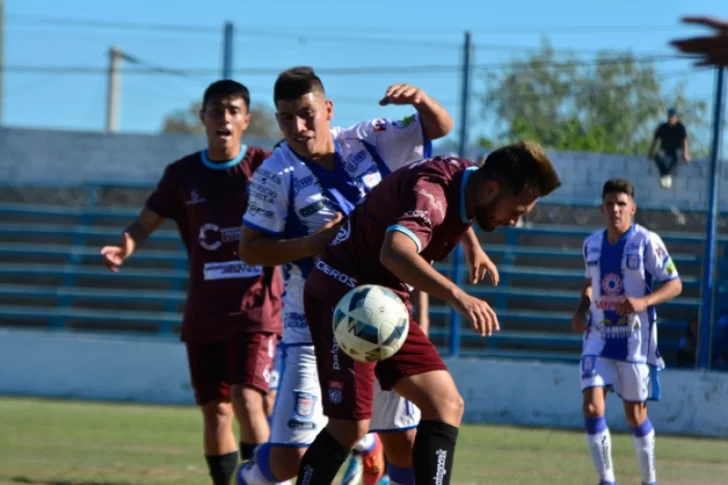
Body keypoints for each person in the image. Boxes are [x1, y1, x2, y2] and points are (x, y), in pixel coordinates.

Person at [236, 66, 464, 485]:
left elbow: (440, 127)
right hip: (313, 323)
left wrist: (421, 100)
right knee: (291, 459)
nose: (298, 127)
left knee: (405, 442)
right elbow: (249, 249)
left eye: (307, 113)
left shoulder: (366, 138)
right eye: (286, 118)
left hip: (384, 316)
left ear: (327, 108)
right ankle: (252, 474)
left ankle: (369, 446)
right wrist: (314, 244)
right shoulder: (275, 173)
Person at [298, 143, 561, 485]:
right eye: (516, 210)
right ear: (493, 188)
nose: (515, 220)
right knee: (349, 427)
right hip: (345, 297)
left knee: (445, 403)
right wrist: (457, 295)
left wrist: (473, 247)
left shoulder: (470, 178)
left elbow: (460, 207)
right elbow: (395, 252)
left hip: (385, 303)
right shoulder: (431, 195)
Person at [100, 80, 282, 485]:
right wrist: (124, 248)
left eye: (233, 110)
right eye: (216, 110)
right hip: (205, 311)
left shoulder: (266, 168)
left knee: (249, 398)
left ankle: (264, 482)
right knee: (215, 409)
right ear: (203, 117)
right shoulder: (182, 175)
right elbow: (145, 222)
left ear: (246, 119)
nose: (224, 118)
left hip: (257, 309)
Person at [571, 179, 683, 485]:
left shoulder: (647, 242)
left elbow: (675, 284)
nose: (615, 210)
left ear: (632, 208)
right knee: (592, 405)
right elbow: (590, 283)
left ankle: (650, 480)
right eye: (609, 204)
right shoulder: (590, 244)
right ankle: (607, 480)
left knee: (635, 415)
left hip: (635, 342)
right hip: (598, 336)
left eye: (621, 204)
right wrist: (581, 309)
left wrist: (643, 301)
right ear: (602, 208)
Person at [647, 108, 690, 189]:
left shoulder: (680, 127)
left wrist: (685, 154)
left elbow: (684, 141)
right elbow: (655, 140)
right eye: (670, 117)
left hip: (676, 150)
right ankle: (665, 175)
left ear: (676, 118)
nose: (671, 119)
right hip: (665, 150)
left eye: (673, 117)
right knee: (658, 156)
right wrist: (650, 152)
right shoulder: (663, 127)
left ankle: (667, 175)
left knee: (677, 157)